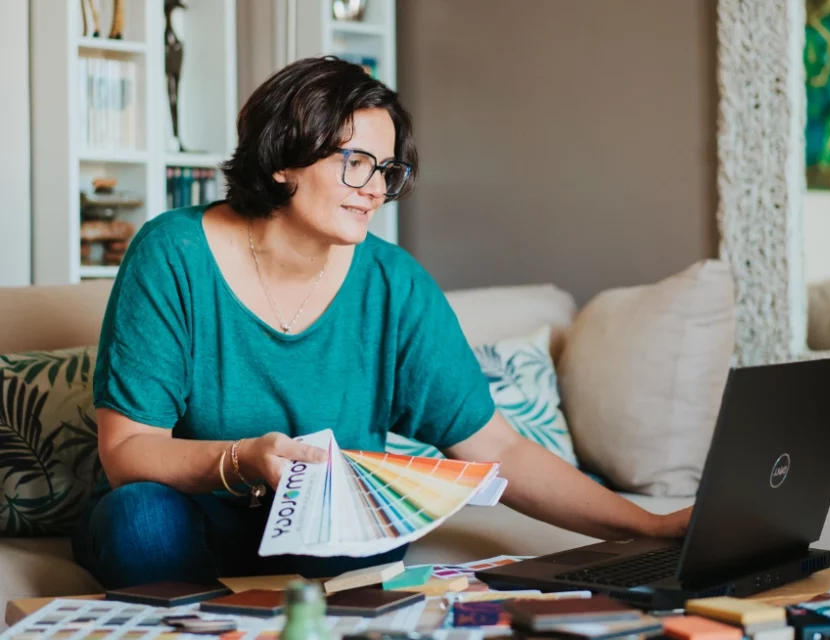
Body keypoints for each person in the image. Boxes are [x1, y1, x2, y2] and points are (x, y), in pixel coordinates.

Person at [73, 56, 693, 589]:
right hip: (193, 516)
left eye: (388, 170)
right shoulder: (173, 253)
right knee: (140, 520)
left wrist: (653, 525)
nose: (374, 189)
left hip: (325, 531)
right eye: (356, 162)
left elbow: (499, 450)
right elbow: (127, 450)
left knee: (372, 524)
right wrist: (244, 457)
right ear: (282, 159)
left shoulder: (394, 283)